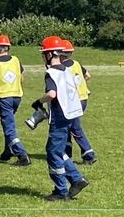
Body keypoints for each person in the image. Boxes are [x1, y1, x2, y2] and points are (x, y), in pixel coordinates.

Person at [31, 35, 89, 201]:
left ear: (49, 54)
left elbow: (52, 93)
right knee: (57, 150)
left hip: (59, 115)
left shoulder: (50, 73)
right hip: (71, 114)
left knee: (53, 152)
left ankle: (60, 190)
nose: (43, 57)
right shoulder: (67, 70)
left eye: (43, 54)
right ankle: (77, 179)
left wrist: (38, 101)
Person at [0, 34, 30, 166]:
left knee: (8, 128)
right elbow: (21, 78)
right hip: (17, 96)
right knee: (9, 123)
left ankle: (22, 155)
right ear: (8, 48)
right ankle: (7, 151)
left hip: (4, 97)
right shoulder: (16, 60)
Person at [60, 40, 97, 165]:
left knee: (75, 127)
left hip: (73, 101)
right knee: (67, 125)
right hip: (83, 98)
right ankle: (66, 150)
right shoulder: (76, 64)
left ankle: (88, 154)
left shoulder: (63, 68)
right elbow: (87, 75)